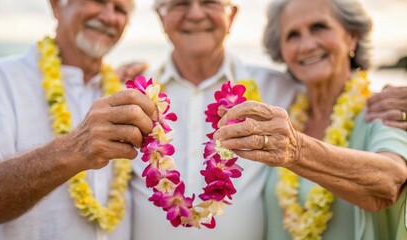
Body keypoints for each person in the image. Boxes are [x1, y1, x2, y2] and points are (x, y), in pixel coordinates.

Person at [213, 0, 407, 239]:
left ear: (351, 37)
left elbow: (390, 182)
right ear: (282, 51)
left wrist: (297, 150)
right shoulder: (283, 112)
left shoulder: (385, 110)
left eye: (319, 27)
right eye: (293, 35)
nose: (306, 45)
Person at [0, 0, 157, 239]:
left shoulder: (126, 91)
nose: (108, 17)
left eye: (120, 9)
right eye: (98, 1)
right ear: (56, 6)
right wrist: (74, 148)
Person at [129, 0, 302, 239]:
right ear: (161, 18)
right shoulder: (133, 98)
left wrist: (367, 94)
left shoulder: (280, 91)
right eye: (181, 4)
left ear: (231, 15)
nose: (196, 14)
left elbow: (332, 92)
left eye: (209, 2)